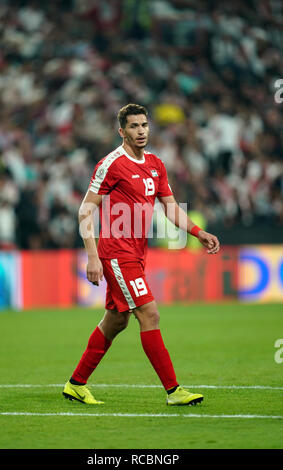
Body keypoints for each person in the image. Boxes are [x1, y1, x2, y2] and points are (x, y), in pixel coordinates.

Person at [63, 103, 220, 405]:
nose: (141, 131)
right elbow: (85, 209)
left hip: (137, 253)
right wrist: (93, 256)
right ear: (121, 131)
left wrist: (198, 233)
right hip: (116, 253)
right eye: (134, 126)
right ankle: (174, 391)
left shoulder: (156, 164)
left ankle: (76, 383)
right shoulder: (111, 164)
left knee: (116, 321)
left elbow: (171, 207)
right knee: (150, 313)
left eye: (144, 125)